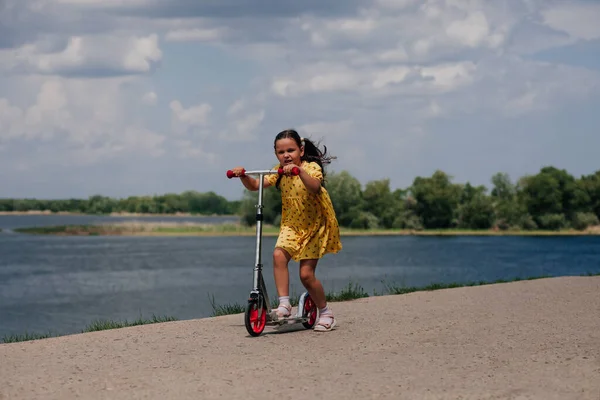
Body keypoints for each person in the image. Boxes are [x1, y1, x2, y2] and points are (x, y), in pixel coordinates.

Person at [229, 129, 342, 332]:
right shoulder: (278, 172)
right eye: (281, 152)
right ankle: (284, 304)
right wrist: (243, 175)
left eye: (291, 150)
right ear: (276, 154)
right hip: (291, 225)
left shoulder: (310, 167)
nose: (286, 155)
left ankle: (326, 312)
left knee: (306, 275)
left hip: (314, 226)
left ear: (301, 149)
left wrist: (300, 172)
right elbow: (256, 185)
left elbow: (315, 186)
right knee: (278, 256)